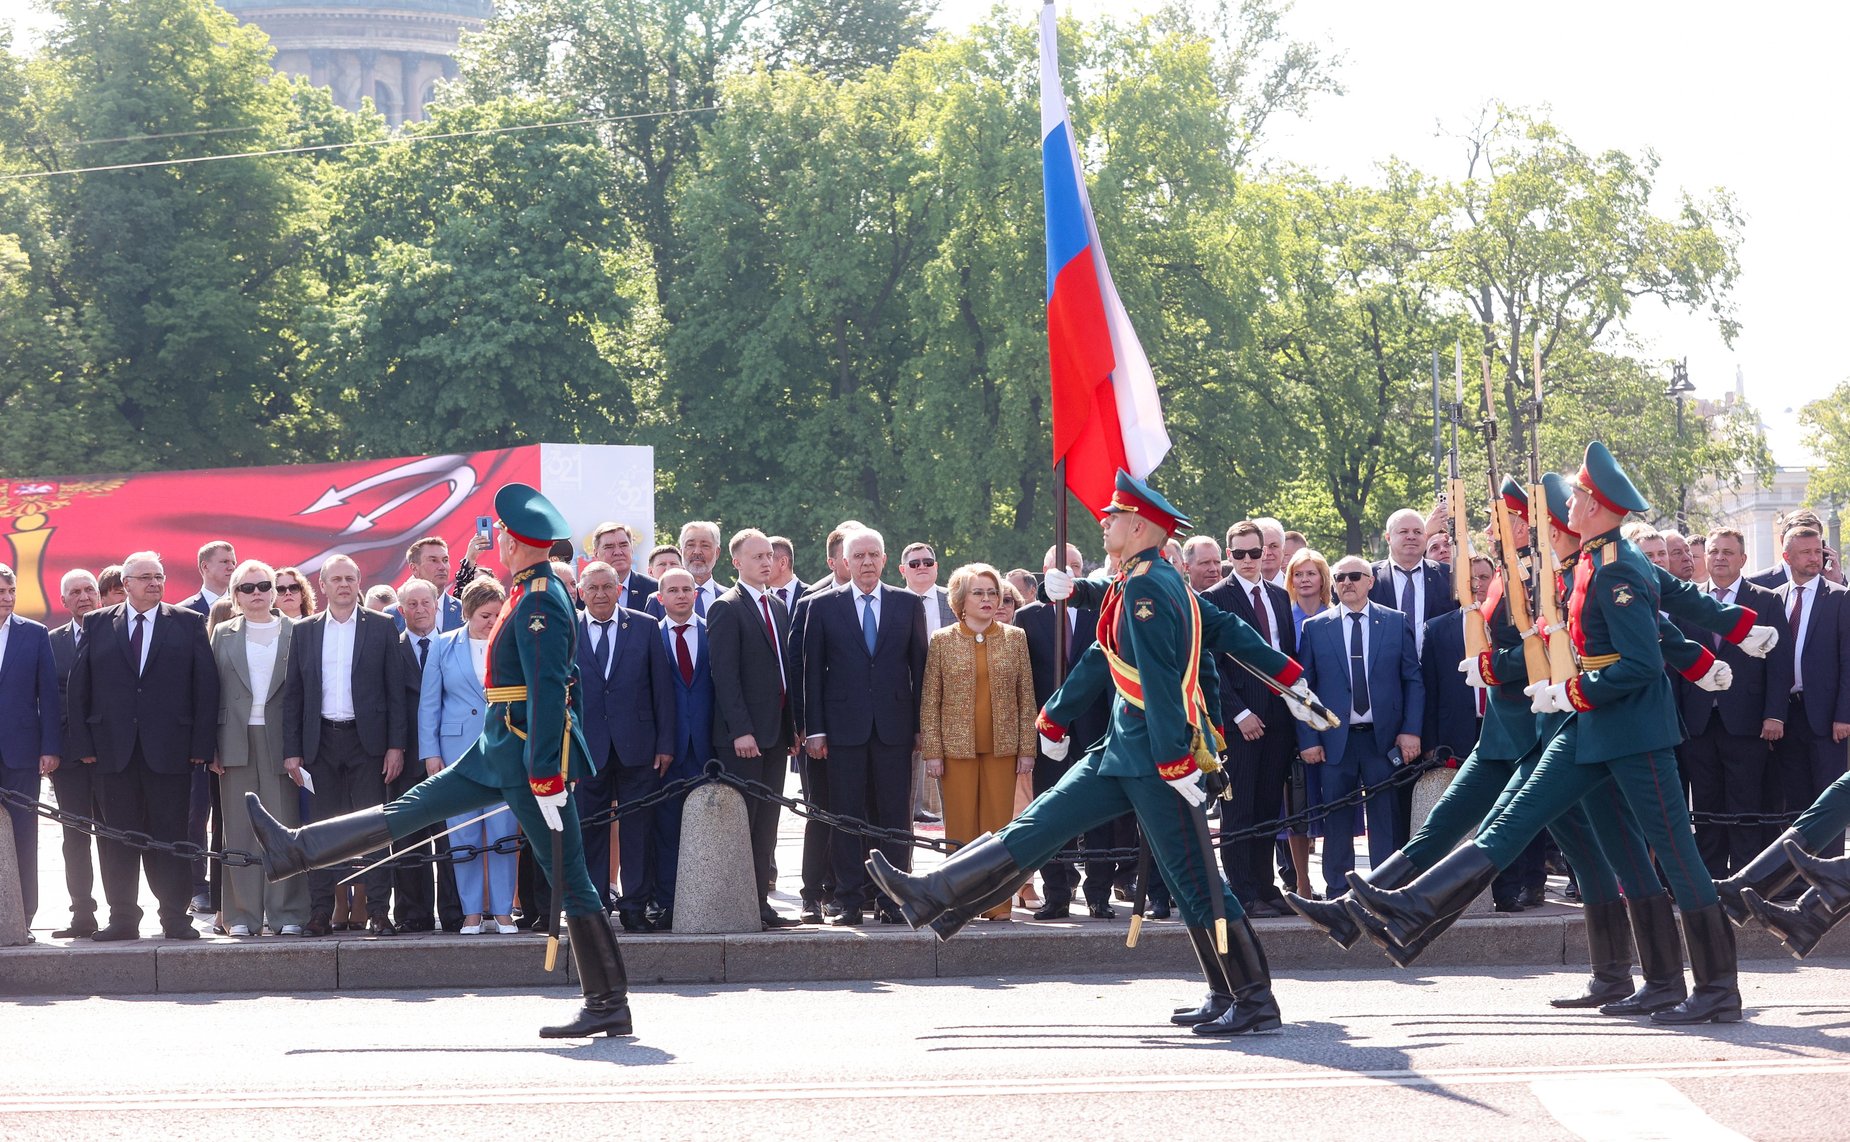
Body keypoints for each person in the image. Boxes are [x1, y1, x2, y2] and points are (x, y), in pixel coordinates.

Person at [870, 470, 1326, 1037]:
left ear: (1139, 526)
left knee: (1197, 883)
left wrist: (1180, 763)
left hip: (1156, 760)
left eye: (1114, 516)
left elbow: (1160, 677)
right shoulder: (1143, 578)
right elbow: (1207, 629)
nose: (1104, 522)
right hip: (1121, 752)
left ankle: (1251, 997)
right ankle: (934, 895)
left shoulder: (1148, 586)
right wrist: (1080, 597)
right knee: (1037, 825)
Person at [1345, 444, 1753, 1025]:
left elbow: (1640, 659)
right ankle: (1416, 910)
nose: (1574, 503)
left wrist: (1573, 692)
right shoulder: (1593, 561)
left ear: (1600, 507)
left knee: (1675, 855)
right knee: (1527, 819)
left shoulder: (1617, 567)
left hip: (1632, 729)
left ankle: (1716, 988)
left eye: (1583, 496)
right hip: (1590, 723)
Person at [248, 482, 632, 1039]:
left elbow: (550, 690)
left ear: (517, 541)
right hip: (498, 748)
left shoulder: (542, 597)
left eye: (502, 534)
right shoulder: (528, 591)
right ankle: (296, 850)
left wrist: (546, 771)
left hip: (527, 757)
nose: (496, 540)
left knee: (571, 879)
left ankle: (607, 1002)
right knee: (410, 810)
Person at [65, 551, 220, 941]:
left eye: (159, 576)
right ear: (127, 583)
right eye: (146, 577)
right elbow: (78, 688)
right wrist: (83, 742)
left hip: (170, 751)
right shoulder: (98, 624)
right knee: (116, 838)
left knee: (171, 836)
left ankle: (174, 918)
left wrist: (202, 745)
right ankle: (122, 919)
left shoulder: (187, 623)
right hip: (111, 752)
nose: (155, 583)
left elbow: (206, 688)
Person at [802, 527, 929, 924]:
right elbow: (812, 674)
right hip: (842, 730)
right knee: (846, 814)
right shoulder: (821, 606)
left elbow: (920, 668)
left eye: (874, 554)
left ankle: (894, 900)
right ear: (844, 562)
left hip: (895, 728)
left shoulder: (907, 604)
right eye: (858, 556)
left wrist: (922, 727)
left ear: (886, 560)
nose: (867, 562)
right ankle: (850, 900)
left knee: (895, 816)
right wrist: (814, 729)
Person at [280, 554, 407, 937]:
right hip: (320, 742)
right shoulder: (304, 630)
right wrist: (292, 750)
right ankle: (320, 912)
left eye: (350, 578)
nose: (343, 585)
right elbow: (294, 695)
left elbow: (395, 692)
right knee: (321, 830)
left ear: (358, 582)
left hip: (367, 743)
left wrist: (395, 746)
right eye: (336, 579)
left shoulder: (382, 627)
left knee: (373, 828)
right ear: (322, 585)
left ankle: (378, 912)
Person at [1294, 555, 1423, 897]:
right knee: (1336, 817)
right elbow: (1303, 690)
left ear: (1370, 581)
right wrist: (1308, 738)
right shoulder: (1316, 628)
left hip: (1382, 740)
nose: (1347, 582)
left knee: (1385, 817)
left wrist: (1411, 730)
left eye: (1354, 576)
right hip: (1336, 740)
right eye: (1340, 577)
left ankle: (1384, 888)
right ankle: (1338, 889)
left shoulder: (1395, 622)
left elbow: (1412, 680)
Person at [918, 563, 1036, 921]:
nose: (987, 600)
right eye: (978, 593)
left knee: (999, 831)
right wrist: (933, 752)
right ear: (960, 601)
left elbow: (1026, 697)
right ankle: (960, 904)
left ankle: (998, 905)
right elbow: (930, 699)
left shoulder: (1015, 638)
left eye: (992, 593)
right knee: (961, 829)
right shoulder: (942, 640)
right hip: (956, 752)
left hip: (1004, 749)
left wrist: (1027, 748)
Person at [1673, 527, 1791, 877]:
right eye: (1713, 551)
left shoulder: (1766, 600)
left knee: (1745, 804)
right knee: (1706, 804)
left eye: (1727, 552)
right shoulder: (1688, 601)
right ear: (1703, 558)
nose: (1720, 558)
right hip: (1697, 722)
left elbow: (1780, 664)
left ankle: (1745, 879)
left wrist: (1775, 715)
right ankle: (1710, 879)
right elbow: (1678, 664)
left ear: (1743, 558)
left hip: (1747, 720)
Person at [1012, 543, 1121, 920]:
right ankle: (1057, 892)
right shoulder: (1027, 618)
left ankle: (1099, 893)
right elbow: (1024, 680)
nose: (1070, 572)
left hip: (1095, 727)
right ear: (1045, 572)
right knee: (1051, 812)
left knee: (1098, 816)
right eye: (1061, 566)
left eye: (1076, 565)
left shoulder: (1100, 614)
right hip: (1048, 732)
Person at [1202, 521, 1299, 916]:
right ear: (1229, 555)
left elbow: (1285, 655)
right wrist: (1238, 712)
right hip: (1240, 719)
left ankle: (1265, 885)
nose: (1247, 560)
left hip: (1278, 716)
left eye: (1254, 553)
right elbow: (1211, 663)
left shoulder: (1278, 596)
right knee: (1238, 807)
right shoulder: (1213, 597)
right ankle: (1243, 891)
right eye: (1238, 553)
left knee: (1267, 804)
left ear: (1266, 553)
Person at [573, 560, 675, 930]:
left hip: (639, 747)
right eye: (593, 588)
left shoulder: (645, 626)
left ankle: (634, 907)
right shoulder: (567, 629)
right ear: (581, 593)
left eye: (607, 587)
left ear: (620, 589)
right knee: (590, 830)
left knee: (638, 830)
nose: (600, 594)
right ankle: (596, 907)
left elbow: (662, 689)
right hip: (585, 750)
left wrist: (665, 743)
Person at [209, 560, 308, 937]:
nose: (257, 594)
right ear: (234, 595)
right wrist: (211, 746)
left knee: (284, 827)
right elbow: (211, 689)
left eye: (264, 586)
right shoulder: (222, 632)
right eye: (247, 588)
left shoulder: (296, 630)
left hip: (282, 742)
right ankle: (241, 916)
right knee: (239, 829)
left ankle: (288, 914)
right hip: (234, 740)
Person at [708, 531, 801, 928]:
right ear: (737, 563)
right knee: (742, 823)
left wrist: (794, 726)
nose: (768, 562)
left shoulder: (778, 606)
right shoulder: (726, 607)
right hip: (745, 739)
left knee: (767, 823)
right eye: (758, 556)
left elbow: (784, 670)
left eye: (770, 555)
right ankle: (738, 906)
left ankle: (761, 904)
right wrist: (740, 730)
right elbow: (724, 677)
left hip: (777, 734)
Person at [419, 577, 518, 934]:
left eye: (497, 614)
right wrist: (430, 753)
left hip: (503, 750)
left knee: (503, 831)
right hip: (456, 752)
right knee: (462, 833)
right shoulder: (443, 646)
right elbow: (429, 704)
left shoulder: (512, 643)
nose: (492, 622)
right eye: (484, 615)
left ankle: (504, 911)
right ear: (467, 613)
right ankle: (472, 912)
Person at [1768, 524, 1850, 857]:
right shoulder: (1777, 599)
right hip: (1788, 715)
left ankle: (1828, 876)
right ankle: (1797, 875)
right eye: (1806, 552)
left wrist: (1844, 714)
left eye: (1818, 551)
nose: (1814, 558)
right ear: (1787, 557)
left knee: (1827, 799)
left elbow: (1848, 660)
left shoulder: (1840, 598)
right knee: (1796, 798)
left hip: (1828, 718)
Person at [0, 563, 59, 932]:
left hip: (21, 753)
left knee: (24, 834)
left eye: (10, 592)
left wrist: (50, 747)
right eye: (0, 593)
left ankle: (23, 917)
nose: (7, 599)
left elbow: (49, 696)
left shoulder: (34, 633)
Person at [652, 567, 710, 929]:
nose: (681, 596)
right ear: (661, 598)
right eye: (673, 590)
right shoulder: (648, 635)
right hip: (666, 750)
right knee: (666, 830)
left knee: (707, 830)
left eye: (687, 589)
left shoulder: (713, 630)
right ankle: (668, 903)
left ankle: (705, 901)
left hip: (708, 749)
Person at [46, 568, 103, 938]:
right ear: (63, 601)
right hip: (68, 760)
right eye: (75, 592)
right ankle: (82, 914)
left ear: (99, 596)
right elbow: (47, 702)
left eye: (89, 590)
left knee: (120, 837)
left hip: (114, 757)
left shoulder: (117, 633)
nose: (83, 597)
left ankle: (122, 914)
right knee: (76, 839)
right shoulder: (49, 642)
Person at [391, 578, 448, 932]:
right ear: (401, 611)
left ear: (436, 606)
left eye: (425, 602)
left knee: (451, 837)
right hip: (403, 756)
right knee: (408, 839)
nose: (420, 609)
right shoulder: (389, 647)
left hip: (448, 755)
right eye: (411, 604)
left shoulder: (454, 644)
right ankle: (414, 914)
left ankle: (456, 911)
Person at [1282, 547, 1334, 896]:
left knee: (1333, 804)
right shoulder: (1286, 619)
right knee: (1297, 805)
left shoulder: (1338, 615)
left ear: (1322, 579)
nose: (1304, 580)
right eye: (1298, 574)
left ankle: (1337, 877)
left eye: (1311, 573)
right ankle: (1302, 881)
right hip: (1294, 721)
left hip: (1332, 719)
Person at [1370, 508, 1457, 656]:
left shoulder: (1449, 575)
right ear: (1388, 537)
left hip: (1436, 671)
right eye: (1403, 532)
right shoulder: (1368, 577)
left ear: (1425, 536)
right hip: (1386, 673)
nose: (1411, 536)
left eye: (1417, 532)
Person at [392, 537, 464, 632]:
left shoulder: (464, 610)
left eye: (445, 560)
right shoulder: (392, 614)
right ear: (414, 568)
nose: (442, 567)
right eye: (433, 560)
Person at [589, 523, 657, 611]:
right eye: (609, 547)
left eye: (623, 545)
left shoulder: (654, 588)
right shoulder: (583, 593)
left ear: (632, 548)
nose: (618, 552)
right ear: (596, 553)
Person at [179, 541, 236, 616]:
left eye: (233, 563)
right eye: (225, 562)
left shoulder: (244, 607)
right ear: (205, 566)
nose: (232, 567)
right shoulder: (182, 611)